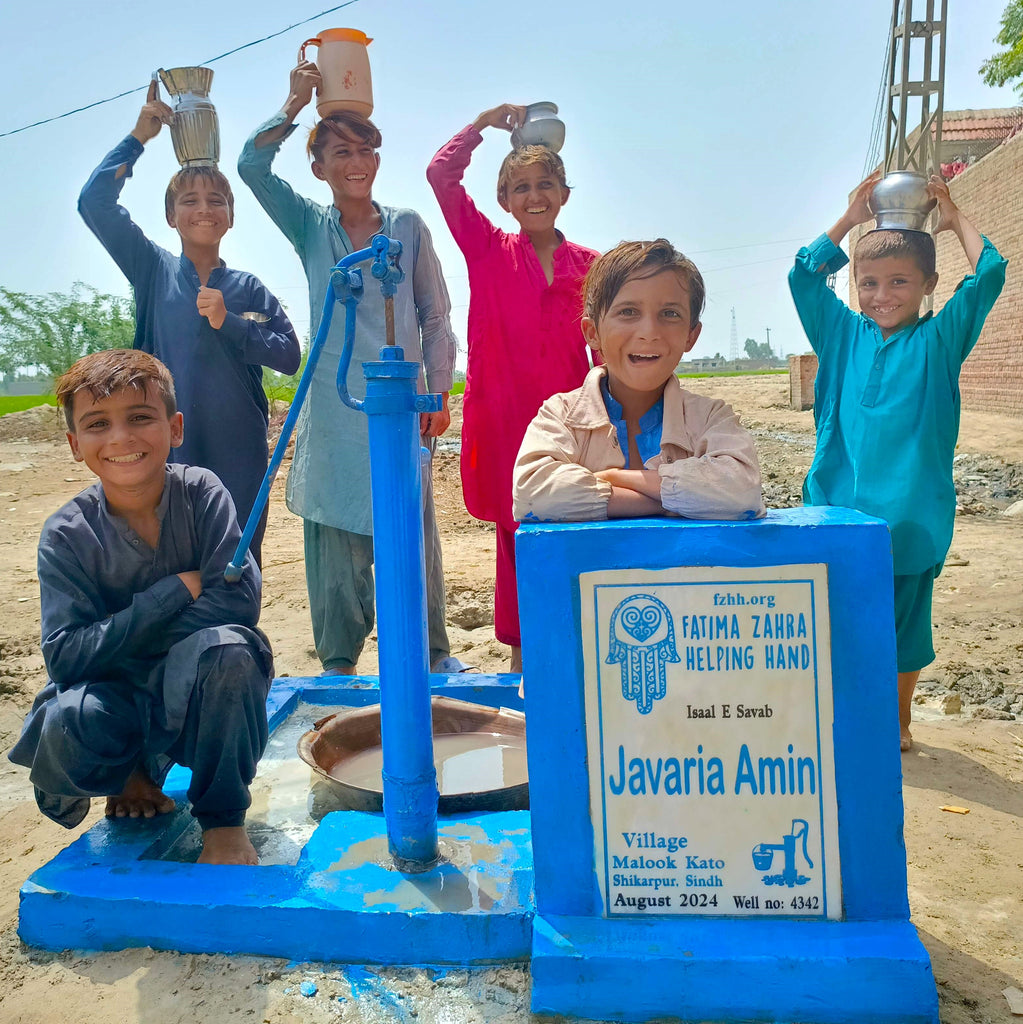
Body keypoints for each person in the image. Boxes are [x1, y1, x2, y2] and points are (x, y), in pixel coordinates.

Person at [238, 62, 463, 676]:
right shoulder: (310, 225)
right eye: (341, 151)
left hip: (400, 407)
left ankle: (431, 653)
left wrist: (438, 391)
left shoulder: (408, 228)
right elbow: (251, 169)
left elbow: (435, 314)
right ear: (319, 168)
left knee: (411, 535)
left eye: (365, 149)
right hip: (335, 408)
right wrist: (293, 103)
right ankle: (339, 659)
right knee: (334, 536)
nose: (356, 161)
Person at [8, 350, 273, 865]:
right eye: (97, 424)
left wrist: (118, 639)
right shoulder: (66, 535)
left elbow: (239, 601)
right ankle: (130, 773)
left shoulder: (202, 494)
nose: (121, 439)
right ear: (74, 443)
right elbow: (64, 659)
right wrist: (171, 593)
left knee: (232, 653)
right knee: (69, 715)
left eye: (140, 417)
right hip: (114, 701)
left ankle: (222, 820)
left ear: (174, 428)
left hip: (194, 687)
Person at [788, 173, 1006, 753]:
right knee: (835, 621)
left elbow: (990, 273)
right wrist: (850, 216)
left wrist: (954, 216)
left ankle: (898, 720)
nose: (882, 295)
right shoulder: (841, 334)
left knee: (904, 630)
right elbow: (803, 275)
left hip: (910, 518)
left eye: (899, 282)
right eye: (869, 283)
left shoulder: (939, 341)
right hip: (837, 513)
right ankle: (836, 716)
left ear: (929, 284)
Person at [78, 80, 302, 565]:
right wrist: (139, 137)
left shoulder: (247, 289)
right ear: (170, 216)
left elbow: (289, 356)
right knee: (173, 564)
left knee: (237, 564)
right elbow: (93, 204)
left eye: (216, 200)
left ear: (231, 216)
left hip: (240, 454)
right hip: (167, 451)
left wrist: (232, 325)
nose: (204, 208)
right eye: (190, 201)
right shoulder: (153, 270)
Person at [427, 103, 599, 671]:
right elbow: (440, 175)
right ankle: (524, 662)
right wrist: (480, 123)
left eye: (545, 184)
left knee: (578, 530)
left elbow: (606, 349)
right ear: (504, 200)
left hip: (574, 427)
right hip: (505, 425)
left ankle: (576, 652)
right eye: (520, 187)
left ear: (564, 193)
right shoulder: (488, 251)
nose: (534, 197)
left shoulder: (592, 267)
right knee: (516, 540)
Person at [513, 239, 765, 524]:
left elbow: (742, 490)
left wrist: (616, 479)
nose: (649, 332)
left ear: (691, 336)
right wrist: (658, 504)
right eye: (628, 312)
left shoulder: (710, 418)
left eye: (670, 314)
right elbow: (532, 492)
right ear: (592, 332)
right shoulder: (561, 416)